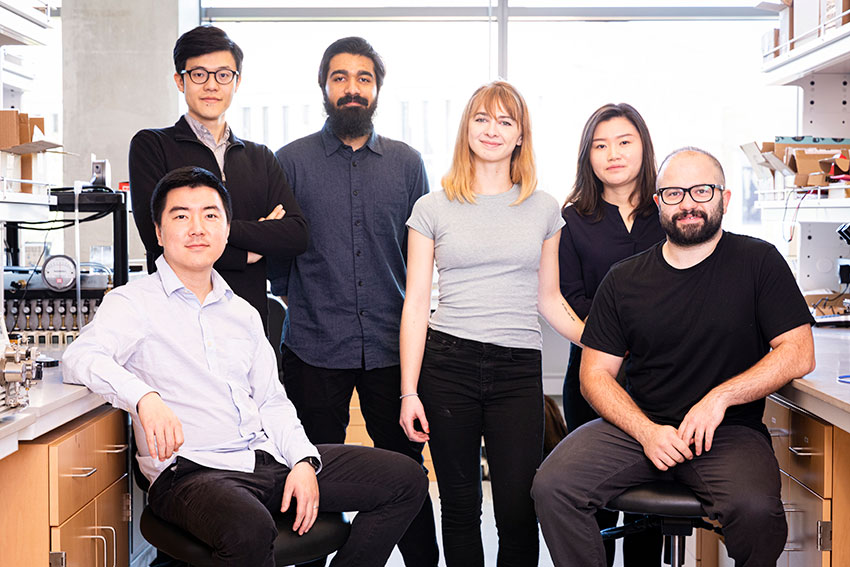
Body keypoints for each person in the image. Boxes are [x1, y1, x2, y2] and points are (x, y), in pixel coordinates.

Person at [63, 166, 429, 567]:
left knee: (405, 479)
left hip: (266, 459)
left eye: (210, 215)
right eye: (181, 216)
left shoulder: (243, 312)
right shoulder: (134, 303)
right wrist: (144, 398)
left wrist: (304, 460)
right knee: (249, 528)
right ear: (158, 231)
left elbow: (272, 401)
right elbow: (80, 357)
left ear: (225, 228)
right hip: (191, 474)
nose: (197, 228)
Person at [532, 148, 816, 567]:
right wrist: (646, 431)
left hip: (728, 433)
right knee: (553, 487)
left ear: (725, 198)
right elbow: (595, 374)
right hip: (638, 427)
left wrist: (719, 398)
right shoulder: (624, 279)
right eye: (674, 193)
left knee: (758, 513)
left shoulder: (759, 262)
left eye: (701, 191)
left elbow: (798, 351)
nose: (688, 204)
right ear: (657, 202)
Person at [399, 81, 585, 567]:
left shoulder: (544, 209)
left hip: (517, 369)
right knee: (460, 508)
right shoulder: (432, 208)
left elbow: (549, 298)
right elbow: (417, 303)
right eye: (482, 118)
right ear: (467, 128)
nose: (493, 130)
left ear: (521, 135)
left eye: (506, 121)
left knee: (518, 510)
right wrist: (408, 392)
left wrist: (602, 341)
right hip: (447, 366)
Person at [270, 37, 438, 566]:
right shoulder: (289, 162)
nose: (352, 89)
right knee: (312, 469)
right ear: (324, 86)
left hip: (393, 348)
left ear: (377, 90)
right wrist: (303, 299)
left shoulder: (408, 164)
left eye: (363, 79)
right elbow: (278, 254)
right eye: (340, 77)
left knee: (406, 470)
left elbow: (422, 256)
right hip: (314, 343)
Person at [129, 25, 307, 330]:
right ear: (179, 80)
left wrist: (205, 232)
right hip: (176, 324)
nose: (212, 85)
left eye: (223, 74)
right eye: (199, 74)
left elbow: (295, 234)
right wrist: (251, 249)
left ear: (236, 83)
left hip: (246, 323)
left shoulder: (260, 157)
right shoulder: (152, 146)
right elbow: (159, 241)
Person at [558, 103, 665, 566]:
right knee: (592, 498)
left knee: (652, 499)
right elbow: (568, 295)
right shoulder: (572, 217)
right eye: (600, 145)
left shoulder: (669, 211)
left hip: (660, 379)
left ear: (643, 147)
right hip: (591, 375)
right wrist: (608, 350)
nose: (613, 154)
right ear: (588, 156)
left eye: (624, 142)